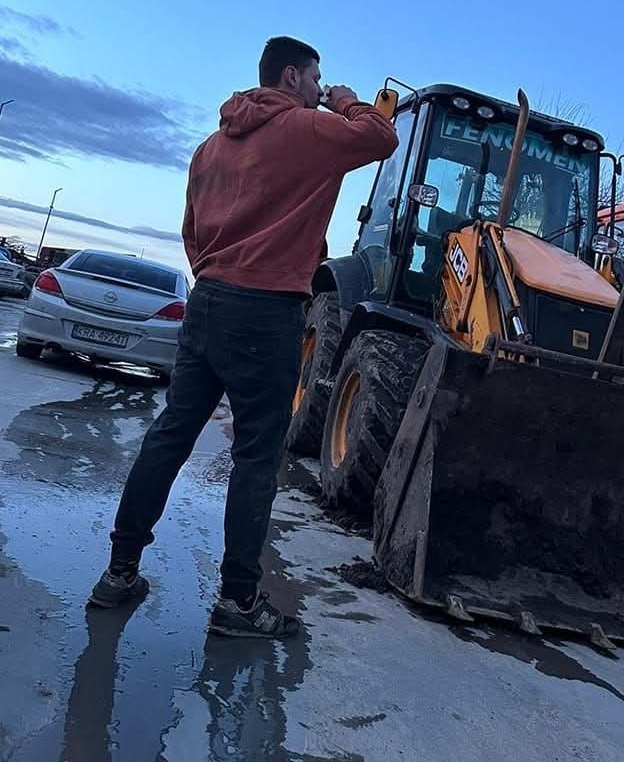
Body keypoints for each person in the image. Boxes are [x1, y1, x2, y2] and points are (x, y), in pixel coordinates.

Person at [90, 37, 398, 637]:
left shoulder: (209, 149)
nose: (319, 87)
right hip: (266, 312)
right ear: (292, 77)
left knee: (171, 434)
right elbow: (381, 137)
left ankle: (119, 572)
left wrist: (219, 273)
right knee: (257, 457)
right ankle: (236, 602)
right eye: (316, 78)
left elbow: (191, 234)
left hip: (207, 301)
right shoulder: (309, 128)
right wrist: (347, 102)